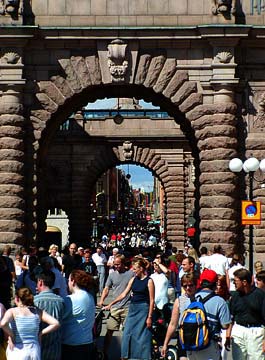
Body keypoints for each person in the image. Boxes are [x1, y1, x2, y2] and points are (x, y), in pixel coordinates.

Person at [105, 257, 155, 360]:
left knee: (141, 335)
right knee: (127, 332)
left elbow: (152, 300)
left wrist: (149, 316)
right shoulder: (133, 280)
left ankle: (142, 357)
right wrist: (111, 303)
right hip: (133, 308)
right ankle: (125, 355)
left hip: (143, 309)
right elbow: (124, 294)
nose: (133, 270)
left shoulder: (149, 281)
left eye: (135, 268)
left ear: (141, 269)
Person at [0, 287, 59, 360]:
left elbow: (3, 324)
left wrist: (12, 335)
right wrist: (41, 333)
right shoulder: (37, 311)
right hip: (34, 350)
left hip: (18, 350)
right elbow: (56, 323)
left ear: (17, 299)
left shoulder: (12, 311)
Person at [187, 269, 231, 360]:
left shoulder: (191, 298)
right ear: (215, 284)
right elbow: (225, 325)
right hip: (208, 345)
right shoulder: (219, 301)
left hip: (191, 345)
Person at [98, 254, 134, 358]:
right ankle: (105, 352)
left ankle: (126, 354)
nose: (116, 266)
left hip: (127, 306)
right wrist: (101, 300)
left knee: (127, 332)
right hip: (115, 307)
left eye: (118, 264)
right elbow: (106, 288)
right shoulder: (112, 275)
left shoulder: (130, 274)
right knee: (109, 330)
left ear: (123, 264)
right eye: (114, 264)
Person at [225, 268, 265, 359]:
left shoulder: (260, 295)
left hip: (256, 332)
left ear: (244, 282)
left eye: (235, 281)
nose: (233, 283)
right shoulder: (234, 296)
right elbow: (231, 317)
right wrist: (228, 335)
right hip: (238, 330)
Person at [161, 273, 197, 360]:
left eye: (191, 285)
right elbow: (173, 324)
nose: (188, 288)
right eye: (185, 286)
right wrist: (165, 344)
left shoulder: (200, 298)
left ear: (195, 285)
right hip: (184, 338)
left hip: (198, 337)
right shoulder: (180, 301)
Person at [61, 270, 95, 360]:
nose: (67, 283)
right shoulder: (90, 297)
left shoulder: (70, 299)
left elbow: (58, 318)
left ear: (73, 281)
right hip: (87, 342)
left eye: (68, 280)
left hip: (72, 344)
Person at [34, 270, 65, 360]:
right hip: (55, 350)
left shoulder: (35, 301)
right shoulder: (61, 301)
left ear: (40, 282)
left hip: (39, 348)